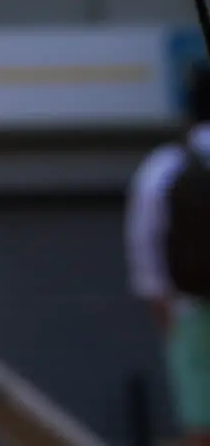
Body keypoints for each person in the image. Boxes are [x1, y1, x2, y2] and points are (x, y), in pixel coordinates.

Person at [127, 63, 210, 445]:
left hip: (190, 311)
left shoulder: (165, 166)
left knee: (200, 424)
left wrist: (167, 317)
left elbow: (146, 251)